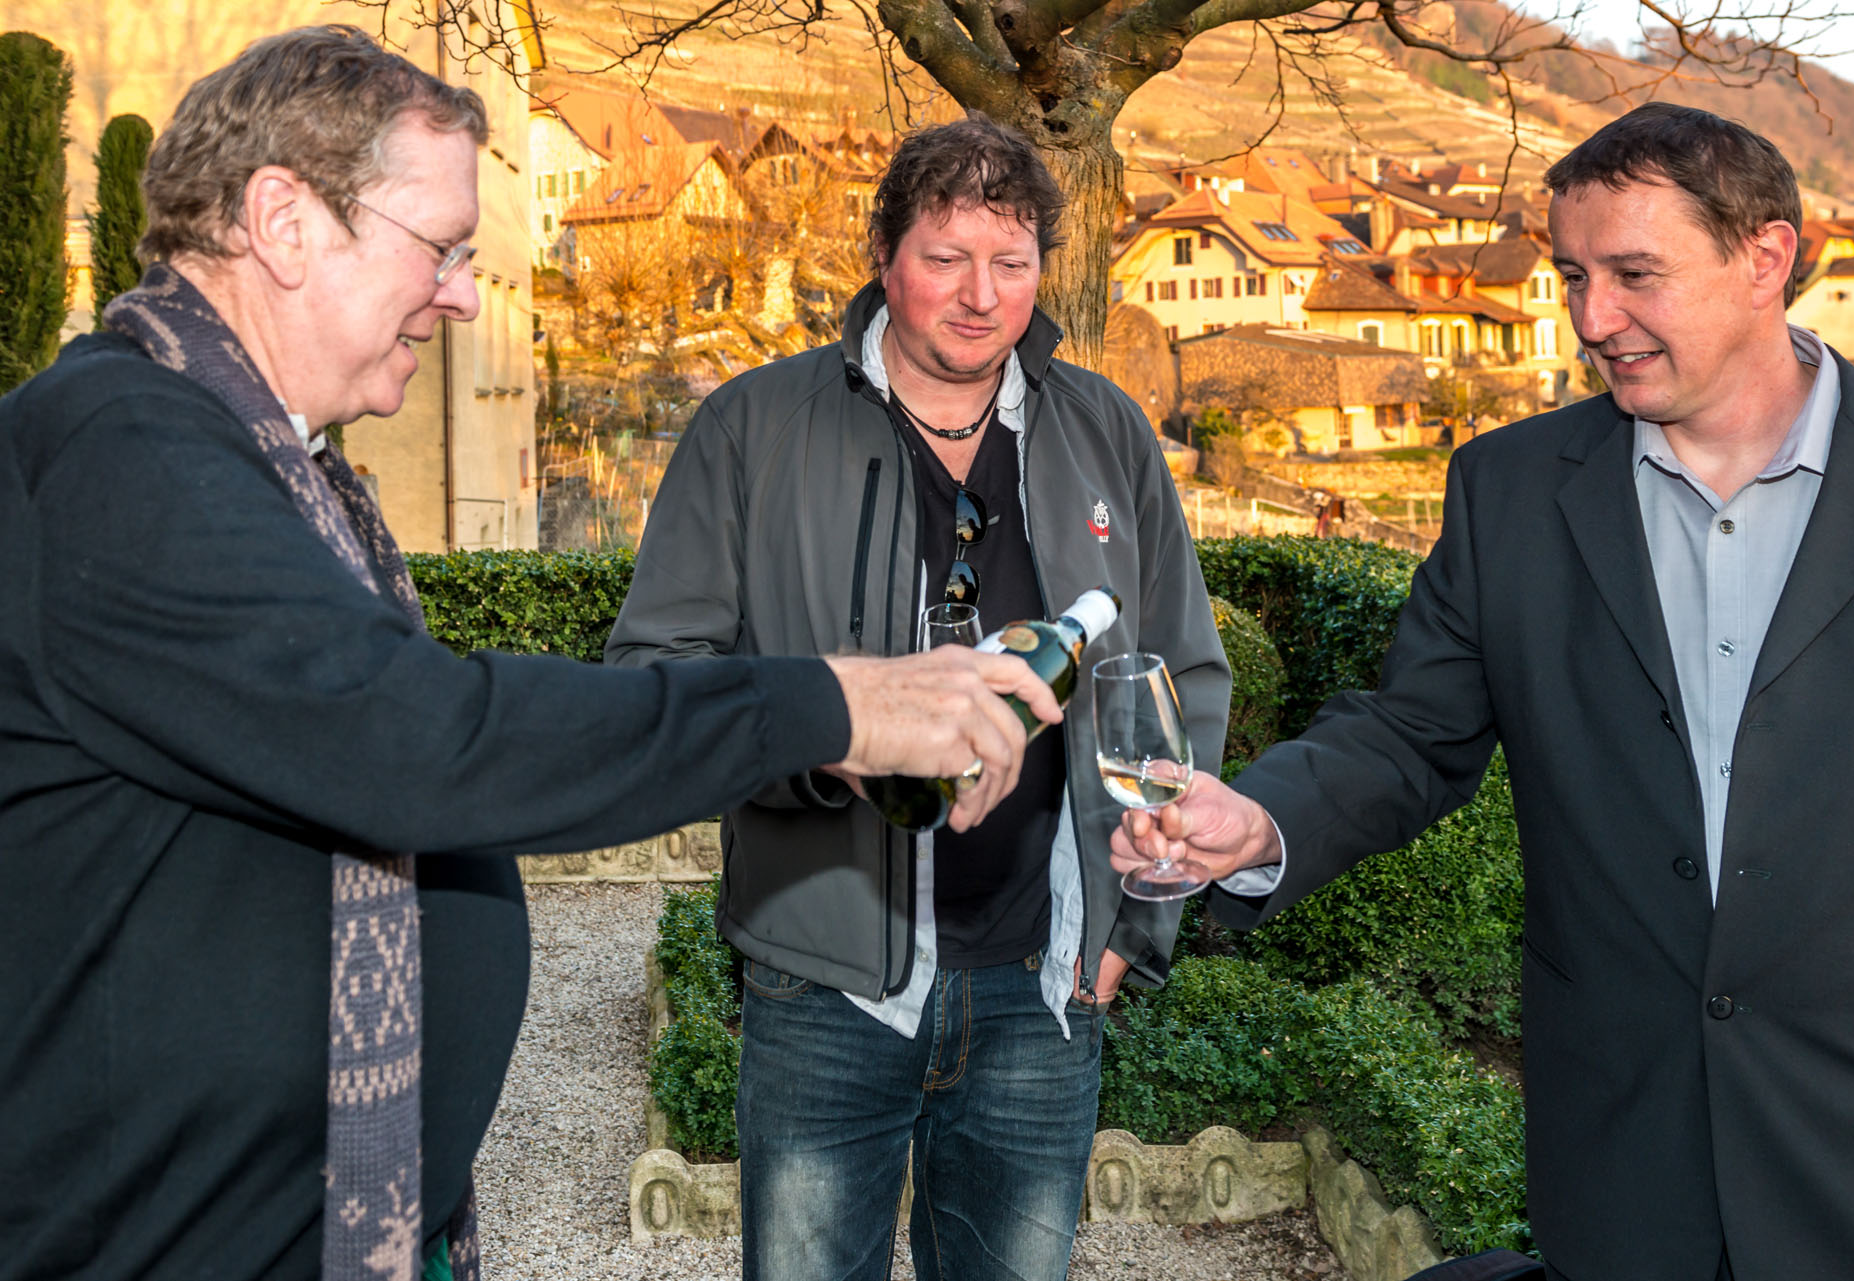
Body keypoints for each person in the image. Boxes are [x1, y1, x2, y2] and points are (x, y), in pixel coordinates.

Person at [0, 28, 1061, 1281]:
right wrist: (834, 704)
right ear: (282, 222)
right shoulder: (123, 450)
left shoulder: (257, 458)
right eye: (441, 248)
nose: (461, 295)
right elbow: (419, 739)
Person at [1113, 102, 1854, 1281]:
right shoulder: (1510, 488)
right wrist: (1262, 818)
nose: (1593, 319)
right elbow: (1410, 730)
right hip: (1624, 1153)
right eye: (1576, 276)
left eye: (1635, 274)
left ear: (1766, 259)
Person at [605, 117, 1229, 1280]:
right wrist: (830, 739)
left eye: (1012, 261)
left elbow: (1179, 681)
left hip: (1045, 989)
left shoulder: (1108, 432)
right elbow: (654, 680)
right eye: (946, 258)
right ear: (884, 257)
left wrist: (1137, 926)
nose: (982, 296)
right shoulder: (754, 428)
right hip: (820, 981)